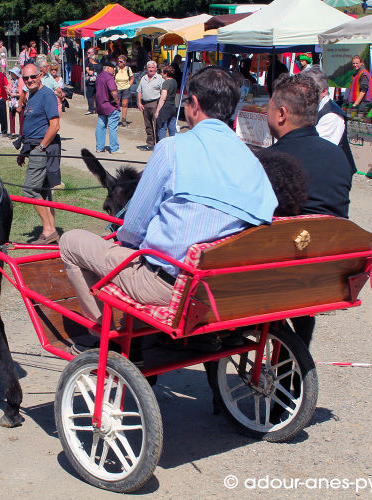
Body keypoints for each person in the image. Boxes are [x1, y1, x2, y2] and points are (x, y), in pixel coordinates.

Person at [59, 66, 277, 337]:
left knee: (70, 242)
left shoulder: (171, 150)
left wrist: (127, 245)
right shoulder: (253, 161)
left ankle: (103, 336)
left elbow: (133, 229)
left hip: (170, 285)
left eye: (187, 101)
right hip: (227, 285)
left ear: (194, 105)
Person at [266, 73, 352, 220]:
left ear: (281, 113)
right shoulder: (338, 156)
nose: (267, 113)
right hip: (335, 239)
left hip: (284, 240)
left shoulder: (267, 161)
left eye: (269, 107)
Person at [15, 63, 61, 244]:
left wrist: (41, 148)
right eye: (25, 78)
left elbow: (55, 125)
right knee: (43, 191)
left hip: (43, 148)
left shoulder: (47, 95)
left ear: (40, 75)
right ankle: (51, 231)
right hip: (33, 147)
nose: (29, 80)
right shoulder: (31, 95)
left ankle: (49, 230)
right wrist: (24, 152)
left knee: (29, 190)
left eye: (32, 77)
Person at [306, 65, 356, 173]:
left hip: (334, 173)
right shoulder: (314, 107)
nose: (305, 96)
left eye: (310, 92)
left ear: (324, 91)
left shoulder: (332, 115)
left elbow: (318, 149)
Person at [94, 60, 123, 154]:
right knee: (112, 127)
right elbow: (113, 91)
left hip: (101, 105)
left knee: (100, 126)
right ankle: (114, 148)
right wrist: (117, 101)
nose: (114, 70)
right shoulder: (109, 78)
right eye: (113, 68)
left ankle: (99, 147)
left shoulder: (99, 77)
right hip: (110, 106)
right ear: (109, 68)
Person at [136, 60, 163, 151]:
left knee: (157, 125)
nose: (151, 69)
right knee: (148, 125)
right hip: (145, 104)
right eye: (149, 67)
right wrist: (139, 103)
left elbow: (163, 92)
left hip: (155, 103)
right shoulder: (143, 78)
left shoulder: (160, 78)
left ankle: (159, 144)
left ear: (156, 68)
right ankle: (150, 144)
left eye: (152, 67)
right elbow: (139, 91)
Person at [155, 65, 178, 140]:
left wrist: (157, 111)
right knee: (172, 128)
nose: (161, 74)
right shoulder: (174, 81)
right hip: (172, 106)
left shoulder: (166, 83)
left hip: (165, 107)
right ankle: (173, 145)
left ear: (166, 73)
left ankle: (163, 147)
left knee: (162, 128)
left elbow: (163, 98)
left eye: (162, 72)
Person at [114, 56, 134, 127]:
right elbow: (112, 77)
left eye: (121, 61)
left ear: (125, 62)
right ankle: (115, 119)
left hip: (126, 88)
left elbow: (131, 78)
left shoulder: (128, 69)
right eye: (118, 61)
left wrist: (129, 85)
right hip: (117, 88)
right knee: (116, 104)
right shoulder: (116, 69)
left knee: (125, 104)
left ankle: (124, 119)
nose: (119, 63)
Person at [7, 67, 24, 138]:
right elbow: (8, 88)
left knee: (21, 118)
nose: (12, 74)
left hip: (20, 101)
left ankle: (21, 133)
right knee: (11, 116)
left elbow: (22, 92)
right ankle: (12, 132)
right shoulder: (11, 81)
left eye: (13, 73)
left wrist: (15, 94)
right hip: (12, 101)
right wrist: (8, 92)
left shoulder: (21, 81)